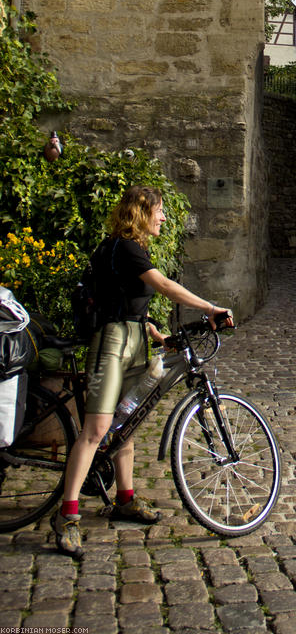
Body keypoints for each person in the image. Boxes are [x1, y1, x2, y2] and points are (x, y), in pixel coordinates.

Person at [51, 185, 233, 559]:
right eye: (160, 211)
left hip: (133, 337)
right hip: (112, 343)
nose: (163, 218)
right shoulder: (124, 247)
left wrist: (153, 331)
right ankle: (67, 515)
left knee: (126, 421)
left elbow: (126, 299)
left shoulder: (130, 250)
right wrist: (211, 307)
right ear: (141, 212)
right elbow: (163, 286)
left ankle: (125, 498)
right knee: (96, 430)